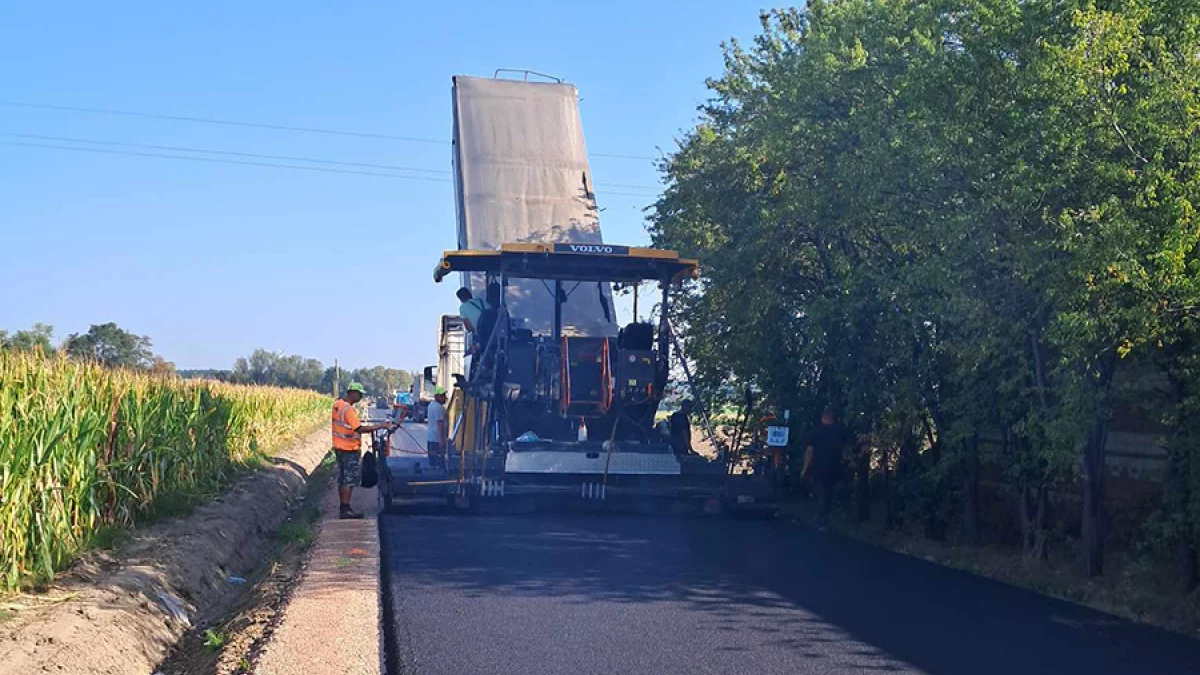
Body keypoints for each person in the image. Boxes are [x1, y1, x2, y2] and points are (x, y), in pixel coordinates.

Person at [331, 382, 395, 519]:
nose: (360, 397)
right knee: (349, 479)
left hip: (339, 447)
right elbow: (359, 429)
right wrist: (380, 426)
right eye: (359, 394)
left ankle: (343, 506)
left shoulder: (337, 405)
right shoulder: (348, 409)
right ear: (352, 392)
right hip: (349, 448)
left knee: (342, 479)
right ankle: (345, 509)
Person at [800, 405, 849, 529]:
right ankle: (825, 518)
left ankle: (820, 520)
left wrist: (805, 469)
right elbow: (845, 450)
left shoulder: (816, 432)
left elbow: (809, 451)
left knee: (821, 492)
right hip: (835, 466)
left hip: (818, 466)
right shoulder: (840, 432)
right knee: (829, 492)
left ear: (823, 418)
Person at [426, 386, 449, 467]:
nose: (445, 398)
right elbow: (439, 424)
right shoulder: (439, 408)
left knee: (432, 464)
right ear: (438, 396)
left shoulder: (430, 405)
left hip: (430, 438)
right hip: (437, 439)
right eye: (443, 395)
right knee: (439, 464)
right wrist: (441, 441)